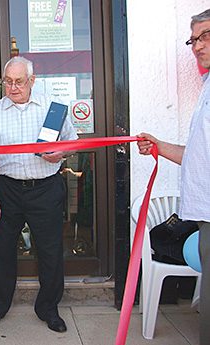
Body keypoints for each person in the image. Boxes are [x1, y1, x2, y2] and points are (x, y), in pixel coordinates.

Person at [0, 56, 78, 333]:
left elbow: (72, 144)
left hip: (46, 188)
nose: (13, 87)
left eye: (19, 81)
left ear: (32, 81)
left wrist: (61, 153)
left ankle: (48, 307)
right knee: (1, 251)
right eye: (8, 82)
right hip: (8, 189)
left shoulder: (52, 108)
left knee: (49, 252)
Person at [137, 9, 210, 345]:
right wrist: (159, 147)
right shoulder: (207, 88)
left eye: (205, 36)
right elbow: (196, 156)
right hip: (203, 214)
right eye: (193, 39)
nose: (197, 46)